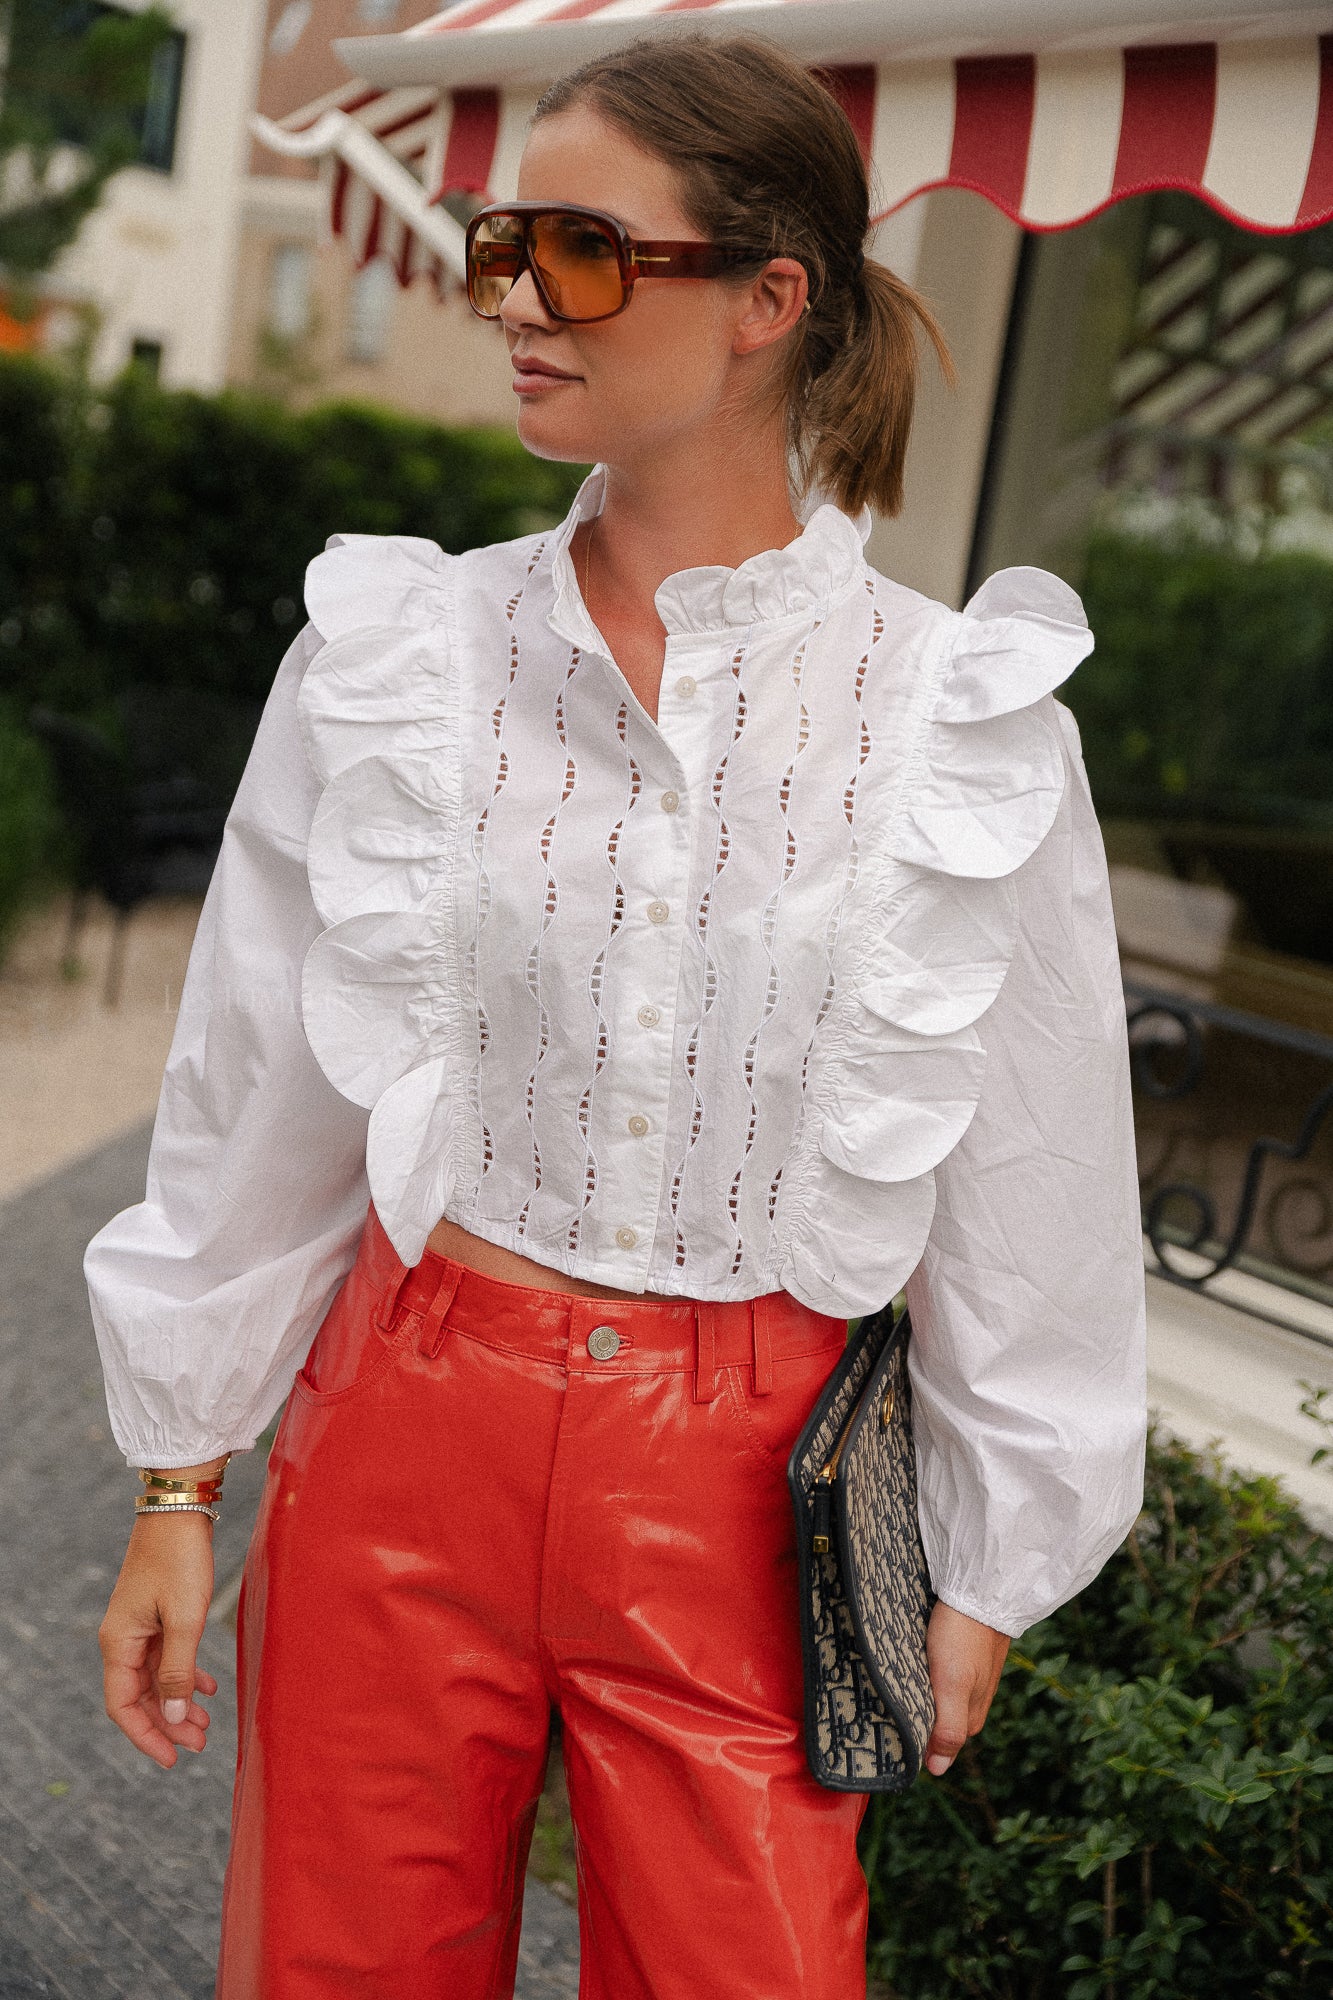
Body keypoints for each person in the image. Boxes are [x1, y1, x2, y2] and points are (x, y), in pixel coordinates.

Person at [87, 32, 1147, 2000]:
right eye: (502, 243)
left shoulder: (958, 718)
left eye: (579, 251)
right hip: (404, 1410)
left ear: (767, 300)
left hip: (754, 1480)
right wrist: (179, 1475)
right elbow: (259, 1090)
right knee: (333, 1969)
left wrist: (995, 1560)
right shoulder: (394, 659)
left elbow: (1037, 1155)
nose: (511, 297)